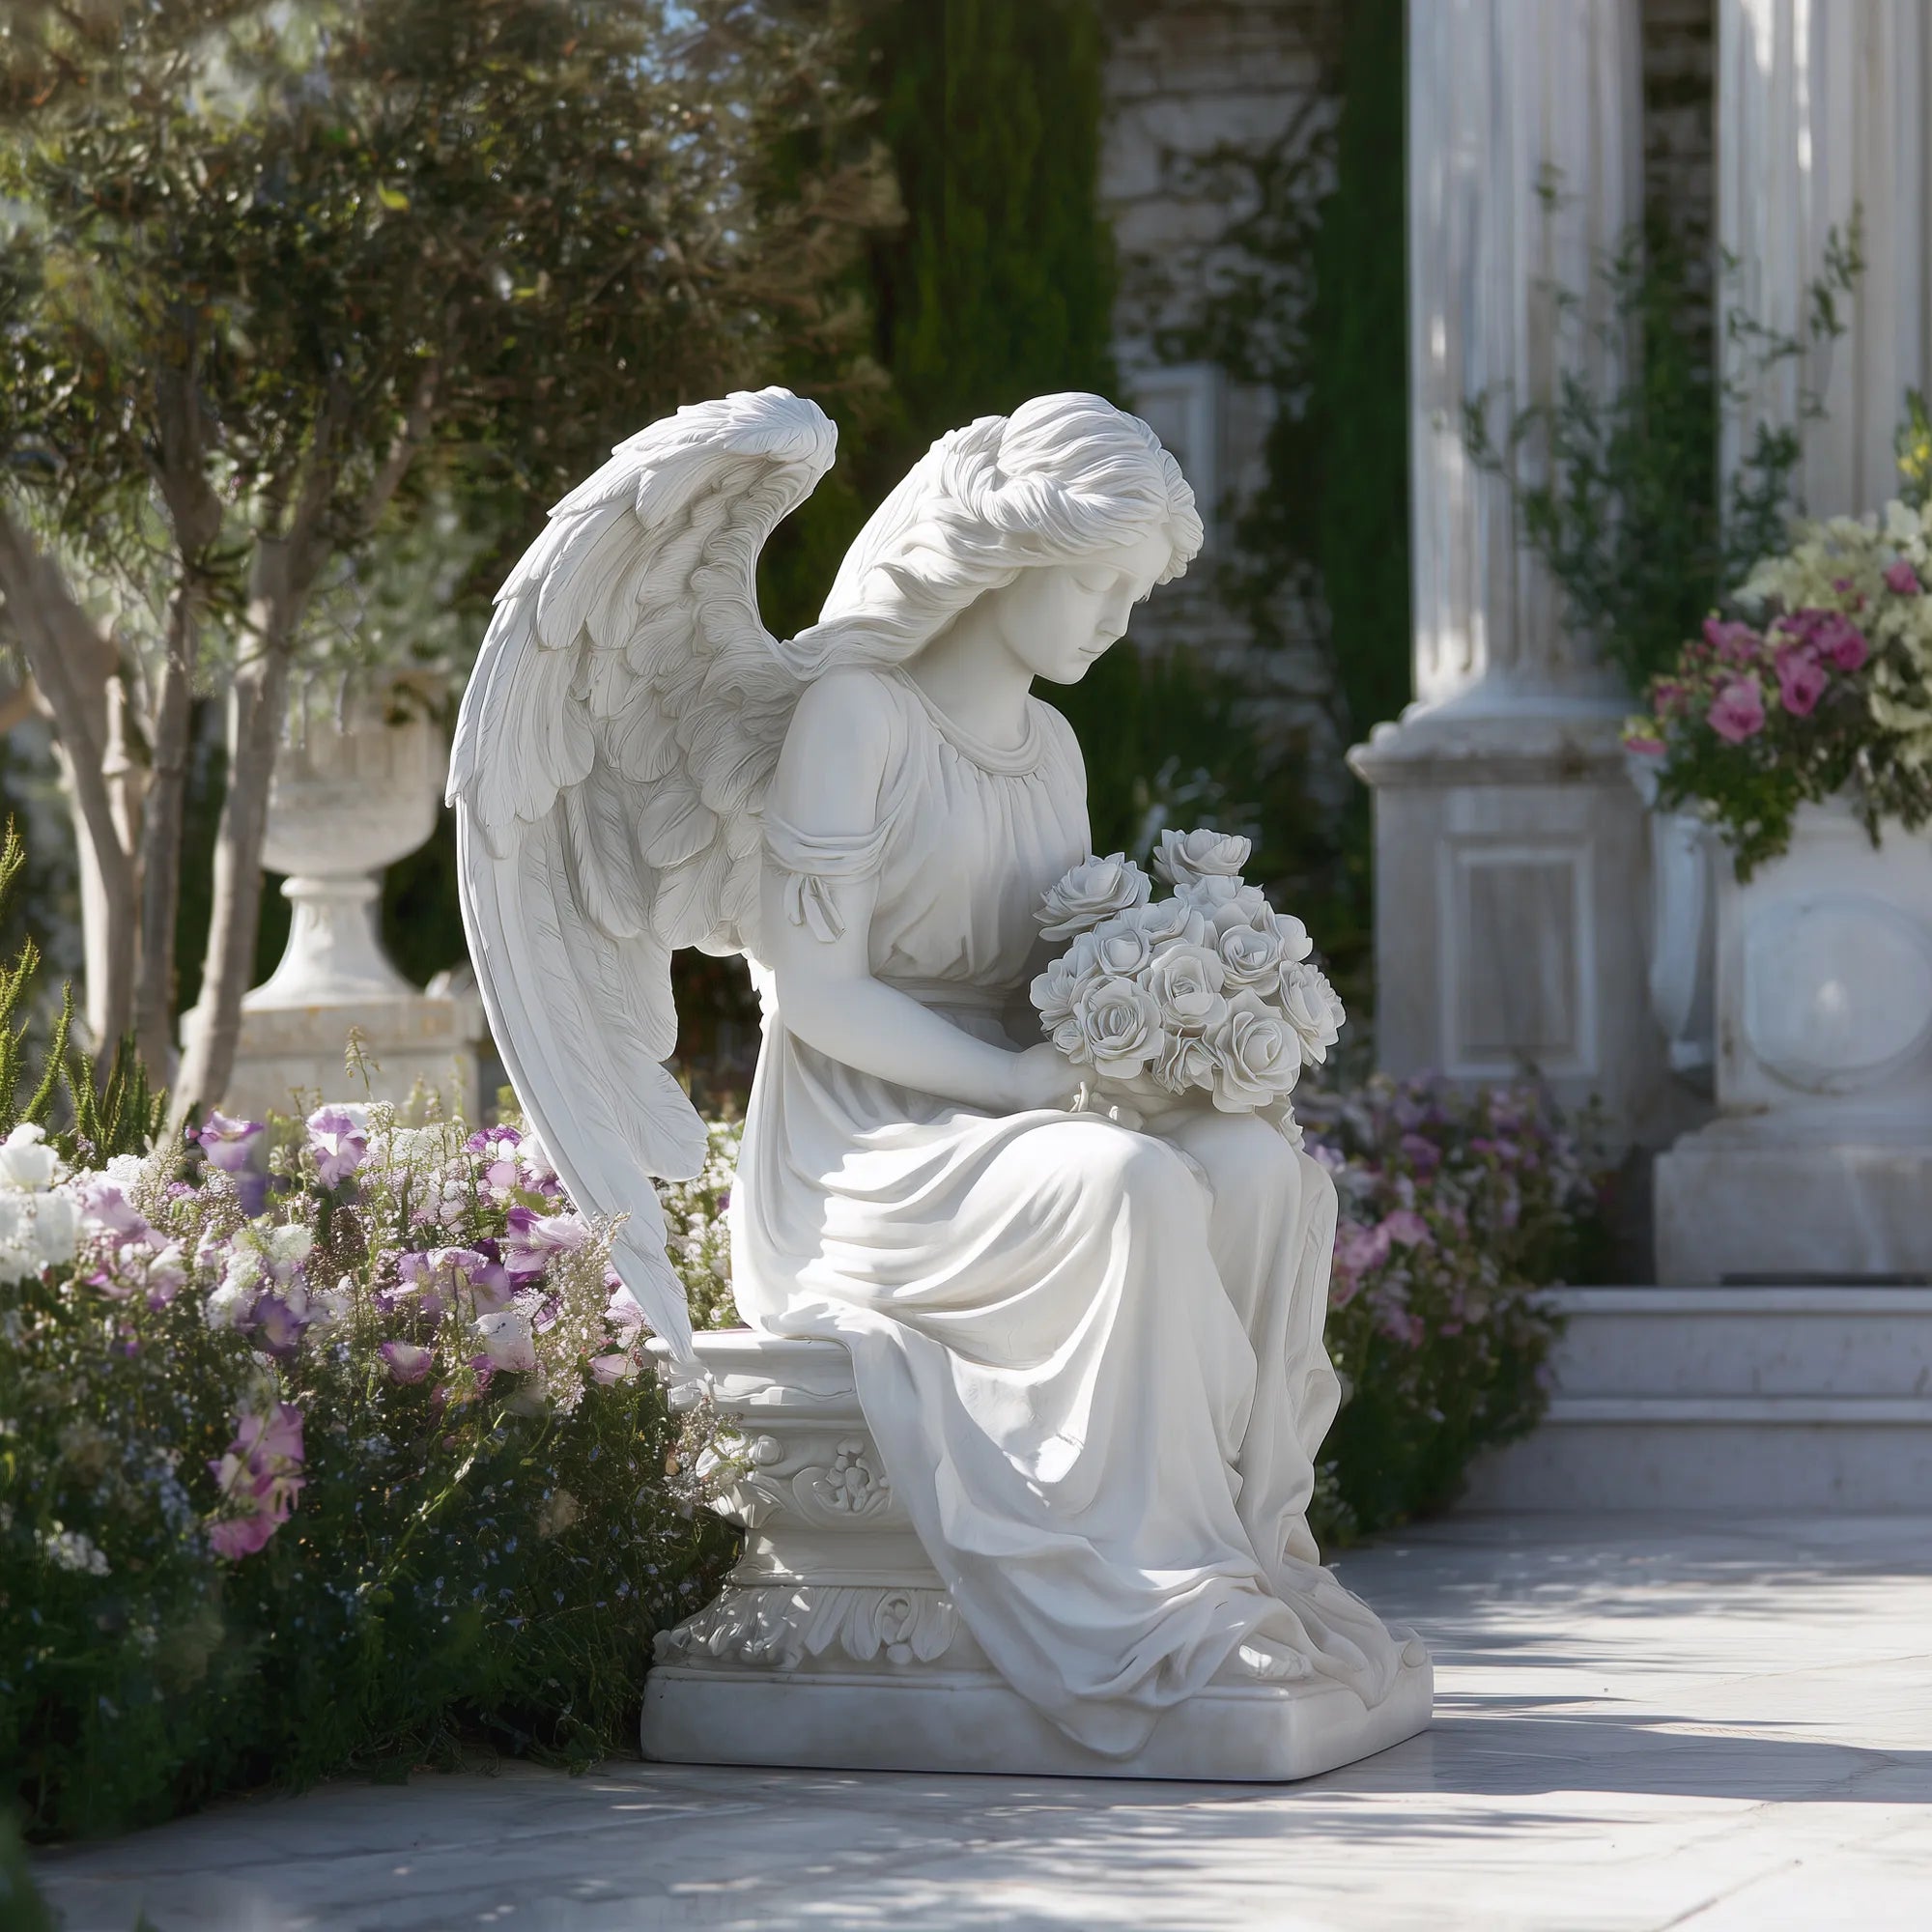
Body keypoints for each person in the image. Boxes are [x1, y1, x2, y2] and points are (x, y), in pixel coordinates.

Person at [735, 393, 1414, 1757]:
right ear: (1012, 558)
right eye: (1097, 581)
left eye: (1133, 591)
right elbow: (809, 993)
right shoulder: (856, 717)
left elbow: (1049, 977)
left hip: (1010, 1102)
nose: (1114, 618)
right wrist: (1032, 1088)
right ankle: (1159, 1596)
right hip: (861, 1139)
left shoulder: (1051, 748)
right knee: (1125, 1188)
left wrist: (1169, 1040)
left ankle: (1247, 1550)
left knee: (1253, 1167)